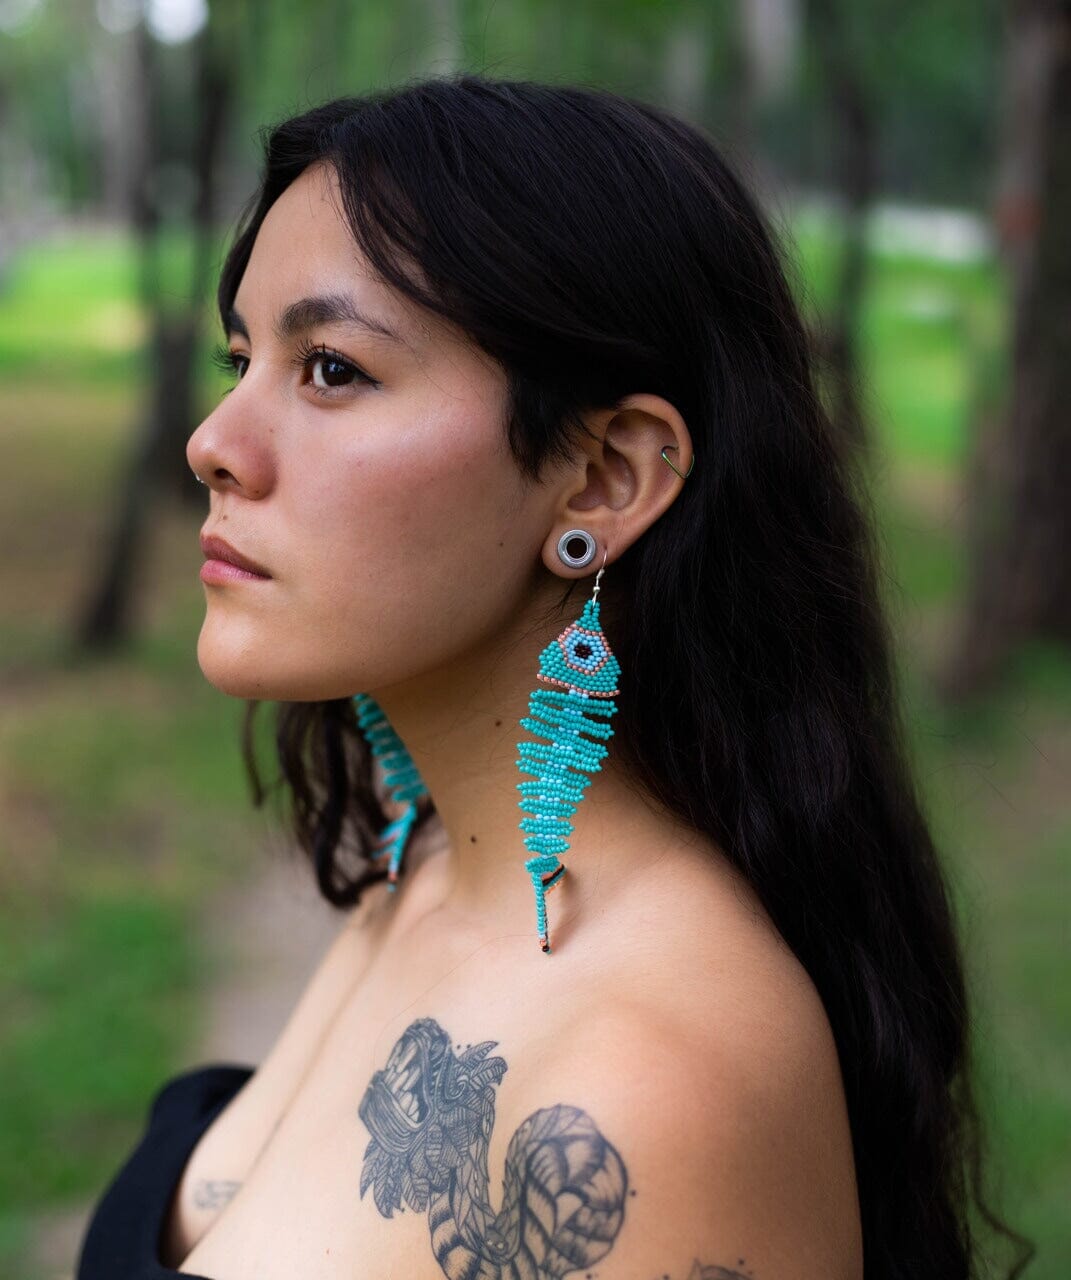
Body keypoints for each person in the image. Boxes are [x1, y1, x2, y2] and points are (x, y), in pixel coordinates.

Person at [76, 74, 1030, 1280]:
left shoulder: (653, 1080)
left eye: (329, 368)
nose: (213, 440)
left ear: (603, 479)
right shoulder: (431, 861)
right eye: (241, 356)